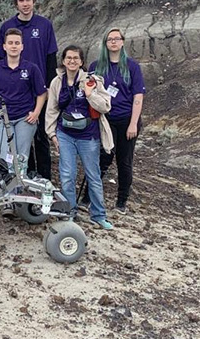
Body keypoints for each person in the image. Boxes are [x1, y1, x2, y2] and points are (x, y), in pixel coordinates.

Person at [45, 45, 114, 230]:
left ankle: (99, 215)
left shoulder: (93, 81)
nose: (72, 61)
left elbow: (106, 106)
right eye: (69, 58)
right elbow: (51, 109)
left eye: (76, 58)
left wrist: (90, 94)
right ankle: (70, 212)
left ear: (82, 61)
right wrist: (52, 134)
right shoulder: (56, 83)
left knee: (93, 175)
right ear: (64, 60)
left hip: (88, 136)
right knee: (67, 175)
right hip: (65, 134)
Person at [0, 0, 58, 179]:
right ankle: (26, 174)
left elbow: (51, 57)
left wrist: (49, 87)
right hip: (16, 91)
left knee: (40, 135)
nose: (25, 4)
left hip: (39, 91)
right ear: (16, 4)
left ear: (34, 2)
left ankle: (45, 176)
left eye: (28, 0)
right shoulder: (7, 27)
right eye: (21, 1)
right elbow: (0, 60)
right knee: (20, 138)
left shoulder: (44, 25)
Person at [87, 27, 146, 214]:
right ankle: (88, 196)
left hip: (126, 119)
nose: (113, 42)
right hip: (105, 120)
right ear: (105, 43)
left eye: (116, 38)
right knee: (102, 159)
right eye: (109, 39)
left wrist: (133, 123)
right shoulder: (96, 67)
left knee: (124, 161)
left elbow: (138, 96)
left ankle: (122, 200)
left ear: (122, 42)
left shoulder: (132, 66)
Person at [0, 28, 47, 178]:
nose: (13, 46)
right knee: (6, 157)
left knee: (21, 157)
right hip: (4, 119)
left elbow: (41, 93)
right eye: (10, 43)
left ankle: (20, 191)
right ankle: (7, 193)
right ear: (4, 46)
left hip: (25, 118)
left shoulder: (31, 68)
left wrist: (36, 112)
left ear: (22, 46)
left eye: (17, 43)